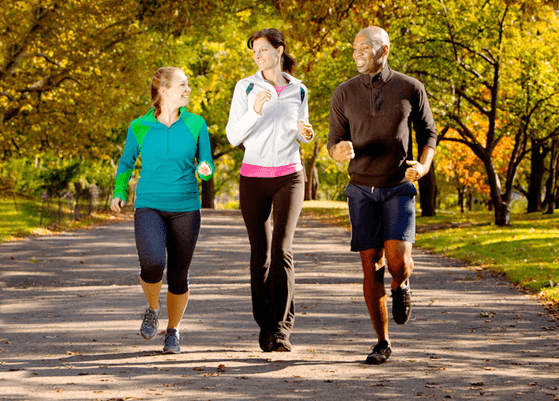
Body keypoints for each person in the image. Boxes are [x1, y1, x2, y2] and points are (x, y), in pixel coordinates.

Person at [328, 26, 437, 364]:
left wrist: (424, 166)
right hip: (360, 188)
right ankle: (382, 342)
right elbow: (333, 143)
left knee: (397, 262)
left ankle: (401, 285)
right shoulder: (343, 93)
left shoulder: (410, 87)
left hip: (398, 187)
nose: (357, 53)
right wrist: (337, 152)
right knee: (370, 267)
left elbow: (429, 133)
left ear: (384, 50)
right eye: (354, 47)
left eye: (364, 47)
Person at [111, 66, 214, 354]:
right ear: (164, 90)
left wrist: (205, 171)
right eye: (183, 84)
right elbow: (126, 163)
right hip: (149, 205)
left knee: (179, 275)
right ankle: (153, 308)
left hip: (186, 206)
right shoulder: (139, 126)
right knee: (153, 263)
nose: (188, 89)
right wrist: (119, 192)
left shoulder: (196, 124)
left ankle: (173, 331)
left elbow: (205, 163)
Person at [226, 28, 314, 352]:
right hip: (253, 177)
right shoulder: (245, 87)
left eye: (263, 50)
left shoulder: (299, 90)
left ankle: (282, 329)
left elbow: (300, 131)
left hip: (290, 176)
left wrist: (307, 134)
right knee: (260, 254)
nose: (258, 56)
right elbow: (233, 136)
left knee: (282, 250)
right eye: (254, 52)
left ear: (279, 51)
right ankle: (264, 326)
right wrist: (254, 111)